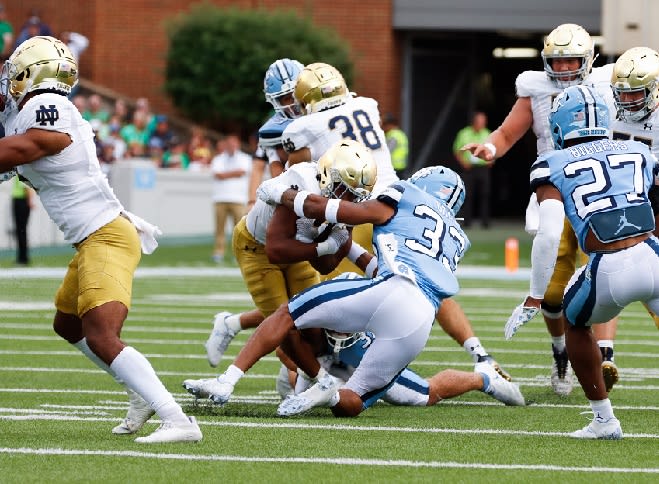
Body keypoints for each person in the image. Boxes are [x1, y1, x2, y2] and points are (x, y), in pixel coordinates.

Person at [190, 163, 525, 417]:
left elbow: (354, 212)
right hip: (417, 318)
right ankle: (484, 379)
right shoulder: (455, 235)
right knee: (391, 397)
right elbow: (378, 265)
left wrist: (287, 196)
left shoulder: (405, 195)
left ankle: (238, 378)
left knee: (288, 315)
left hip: (384, 305)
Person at [0, 36, 201, 443]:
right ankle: (139, 393)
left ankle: (176, 417)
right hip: (94, 238)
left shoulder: (45, 106)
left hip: (105, 236)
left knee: (101, 334)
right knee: (67, 325)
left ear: (29, 73)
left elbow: (28, 147)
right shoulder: (29, 113)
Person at [461, 23, 617, 396]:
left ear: (587, 60)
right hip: (555, 186)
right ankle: (561, 352)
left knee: (606, 267)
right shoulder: (536, 88)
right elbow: (508, 132)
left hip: (599, 187)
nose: (563, 68)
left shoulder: (605, 85)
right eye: (557, 61)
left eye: (570, 60)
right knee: (553, 289)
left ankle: (606, 355)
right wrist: (490, 149)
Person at [506, 84, 659, 439]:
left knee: (574, 322)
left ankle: (604, 420)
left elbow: (547, 236)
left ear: (559, 125)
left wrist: (534, 296)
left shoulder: (551, 163)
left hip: (608, 266)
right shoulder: (636, 150)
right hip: (653, 255)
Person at [185, 139, 367, 399]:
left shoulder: (338, 200)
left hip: (297, 251)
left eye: (356, 195)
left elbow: (324, 265)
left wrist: (340, 236)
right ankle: (321, 382)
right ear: (329, 176)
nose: (349, 200)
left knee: (314, 319)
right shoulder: (301, 181)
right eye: (346, 190)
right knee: (285, 327)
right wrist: (324, 246)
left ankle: (232, 325)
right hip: (257, 247)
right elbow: (277, 249)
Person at [248, 58, 305, 207]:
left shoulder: (322, 116)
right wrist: (251, 202)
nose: (294, 102)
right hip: (292, 195)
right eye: (288, 98)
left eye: (296, 94)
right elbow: (257, 166)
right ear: (276, 101)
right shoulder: (273, 130)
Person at [210, 134, 251, 263]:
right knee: (219, 228)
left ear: (238, 144)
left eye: (234, 144)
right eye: (229, 144)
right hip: (220, 198)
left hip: (238, 199)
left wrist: (225, 174)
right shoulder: (218, 159)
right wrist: (233, 173)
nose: (231, 147)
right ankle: (218, 252)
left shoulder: (245, 158)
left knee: (239, 229)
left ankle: (239, 253)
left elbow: (241, 172)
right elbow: (217, 174)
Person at [452, 111, 492, 228]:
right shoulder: (464, 133)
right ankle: (467, 221)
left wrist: (491, 160)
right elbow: (457, 150)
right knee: (468, 195)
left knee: (485, 194)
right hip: (468, 168)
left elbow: (494, 150)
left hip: (483, 168)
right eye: (480, 122)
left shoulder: (488, 134)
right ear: (474, 122)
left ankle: (485, 222)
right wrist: (463, 163)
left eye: (484, 122)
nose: (482, 124)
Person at [11, 175, 32, 265]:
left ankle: (23, 258)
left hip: (21, 201)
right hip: (19, 200)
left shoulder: (21, 171)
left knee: (21, 230)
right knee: (20, 230)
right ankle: (22, 257)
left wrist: (30, 201)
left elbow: (26, 187)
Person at [382, 112, 409, 178]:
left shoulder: (393, 135)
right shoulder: (401, 134)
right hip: (401, 165)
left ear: (389, 125)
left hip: (393, 166)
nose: (383, 128)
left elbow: (387, 151)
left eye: (384, 125)